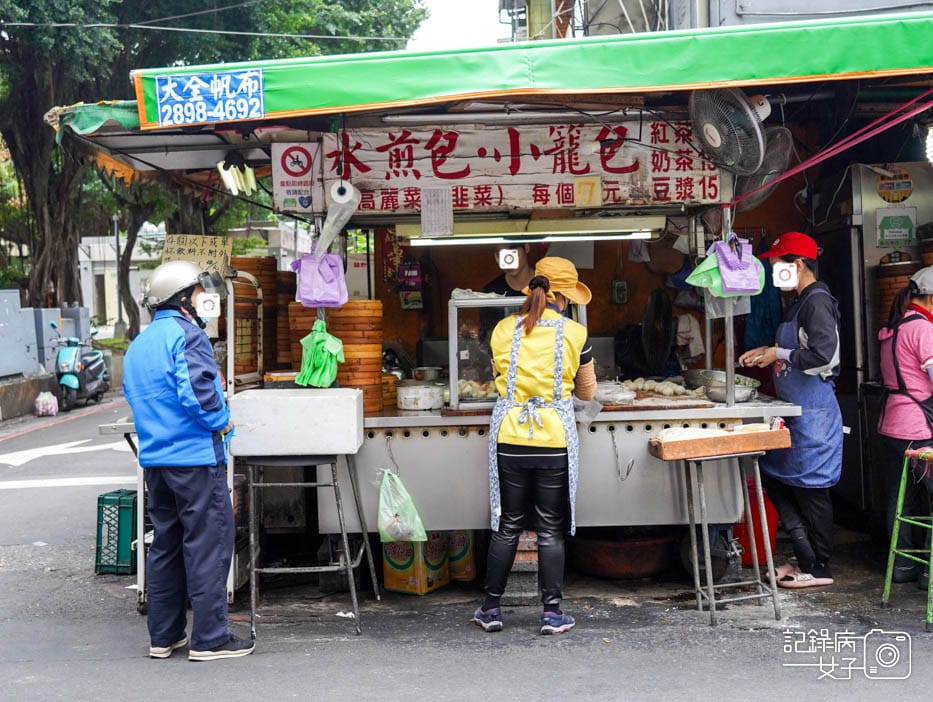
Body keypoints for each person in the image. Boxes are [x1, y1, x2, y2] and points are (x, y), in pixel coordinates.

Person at [123, 260, 255, 661]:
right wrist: (223, 420)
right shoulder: (188, 336)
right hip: (195, 459)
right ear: (181, 298)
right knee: (209, 543)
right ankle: (211, 637)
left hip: (156, 462)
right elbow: (199, 394)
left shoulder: (139, 344)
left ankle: (164, 636)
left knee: (166, 544)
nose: (202, 299)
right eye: (198, 292)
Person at [472, 257, 597, 634]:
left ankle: (490, 610)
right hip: (553, 439)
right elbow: (588, 392)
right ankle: (551, 614)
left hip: (511, 436)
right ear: (562, 296)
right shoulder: (575, 333)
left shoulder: (502, 329)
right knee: (549, 528)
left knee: (507, 524)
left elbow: (497, 374)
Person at [739, 231, 843, 589]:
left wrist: (778, 354)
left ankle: (820, 567)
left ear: (797, 265)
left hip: (814, 412)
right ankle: (804, 556)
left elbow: (824, 355)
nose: (773, 274)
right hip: (797, 412)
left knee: (812, 491)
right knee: (776, 477)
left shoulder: (816, 301)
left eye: (777, 266)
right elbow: (796, 346)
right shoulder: (797, 301)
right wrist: (768, 350)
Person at [877, 266, 933, 589]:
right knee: (928, 499)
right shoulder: (922, 329)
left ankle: (901, 566)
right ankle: (928, 572)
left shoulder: (892, 327)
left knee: (902, 499)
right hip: (917, 427)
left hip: (891, 426)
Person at [479, 244, 535, 341]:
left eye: (512, 252)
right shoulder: (491, 291)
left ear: (526, 247)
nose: (508, 259)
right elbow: (487, 336)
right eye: (501, 255)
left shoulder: (546, 285)